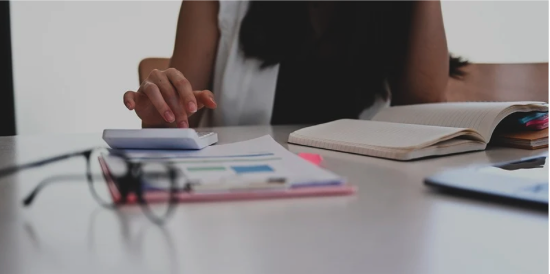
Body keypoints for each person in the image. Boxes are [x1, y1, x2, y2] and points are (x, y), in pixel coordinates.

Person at [123, 1, 467, 128]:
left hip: (369, 202)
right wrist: (163, 110)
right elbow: (181, 119)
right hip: (245, 206)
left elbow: (423, 102)